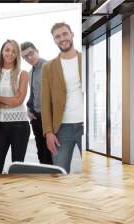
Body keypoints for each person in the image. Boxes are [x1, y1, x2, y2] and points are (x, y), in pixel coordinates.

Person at [41, 22, 83, 174]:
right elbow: (45, 102)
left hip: (85, 127)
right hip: (61, 129)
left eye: (65, 34)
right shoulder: (48, 67)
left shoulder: (85, 58)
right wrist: (48, 132)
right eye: (57, 36)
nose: (62, 38)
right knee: (59, 174)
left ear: (72, 34)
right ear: (54, 40)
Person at [0, 39, 30, 174]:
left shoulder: (23, 74)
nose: (10, 53)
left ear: (17, 54)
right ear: (2, 52)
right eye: (7, 50)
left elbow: (18, 101)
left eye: (14, 51)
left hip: (19, 125)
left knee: (16, 168)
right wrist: (8, 101)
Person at [20, 41, 53, 165]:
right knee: (41, 153)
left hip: (49, 119)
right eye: (25, 57)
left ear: (37, 51)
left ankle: (56, 181)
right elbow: (33, 95)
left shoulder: (50, 67)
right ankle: (44, 180)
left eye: (31, 53)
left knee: (51, 153)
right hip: (36, 118)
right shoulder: (30, 72)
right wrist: (29, 110)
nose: (29, 58)